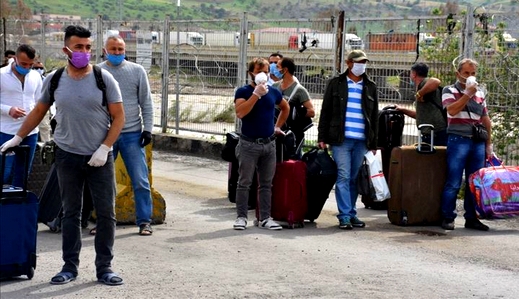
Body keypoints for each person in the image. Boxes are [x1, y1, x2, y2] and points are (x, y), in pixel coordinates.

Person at [0, 25, 126, 285]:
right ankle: (69, 266)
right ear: (66, 49)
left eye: (88, 47)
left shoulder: (104, 79)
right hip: (67, 156)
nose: (84, 52)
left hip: (100, 158)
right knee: (70, 213)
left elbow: (119, 117)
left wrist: (104, 148)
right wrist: (19, 137)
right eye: (78, 47)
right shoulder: (55, 79)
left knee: (106, 213)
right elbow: (38, 112)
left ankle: (105, 267)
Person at [97, 35, 154, 236]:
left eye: (120, 49)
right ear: (105, 50)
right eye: (113, 49)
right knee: (103, 182)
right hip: (105, 135)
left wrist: (148, 129)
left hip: (132, 133)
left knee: (140, 179)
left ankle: (145, 221)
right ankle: (103, 222)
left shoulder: (137, 71)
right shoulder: (97, 72)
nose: (117, 53)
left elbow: (146, 102)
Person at [317, 50, 379, 230]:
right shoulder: (336, 84)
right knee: (343, 176)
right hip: (341, 139)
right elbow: (326, 111)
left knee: (353, 178)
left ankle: (351, 213)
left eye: (364, 62)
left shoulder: (370, 86)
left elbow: (374, 116)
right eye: (359, 62)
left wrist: (373, 142)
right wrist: (322, 137)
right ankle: (344, 215)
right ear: (349, 63)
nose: (362, 65)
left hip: (361, 140)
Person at [233, 57, 289, 230]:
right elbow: (240, 113)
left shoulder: (273, 92)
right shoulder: (243, 92)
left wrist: (277, 126)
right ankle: (241, 217)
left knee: (266, 184)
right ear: (251, 74)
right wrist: (256, 94)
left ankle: (265, 217)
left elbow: (285, 107)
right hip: (248, 144)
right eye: (259, 72)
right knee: (244, 182)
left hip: (268, 144)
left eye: (265, 72)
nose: (263, 75)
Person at [440, 58, 493, 231]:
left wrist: (488, 143)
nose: (470, 77)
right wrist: (467, 94)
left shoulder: (480, 93)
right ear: (458, 74)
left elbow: (485, 118)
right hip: (458, 139)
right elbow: (452, 110)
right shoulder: (449, 90)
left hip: (477, 141)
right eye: (466, 73)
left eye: (473, 73)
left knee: (474, 182)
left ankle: (472, 217)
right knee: (454, 181)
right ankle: (448, 216)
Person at [0, 44, 42, 187]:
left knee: (23, 173)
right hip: (6, 130)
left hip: (30, 133)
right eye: (23, 64)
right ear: (15, 59)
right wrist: (8, 110)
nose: (26, 68)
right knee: (5, 172)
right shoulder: (1, 75)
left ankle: (17, 205)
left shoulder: (36, 76)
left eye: (30, 65)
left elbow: (39, 102)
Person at [396, 62, 447, 146]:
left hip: (436, 133)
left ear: (414, 74)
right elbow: (420, 115)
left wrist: (419, 94)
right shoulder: (424, 88)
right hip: (431, 133)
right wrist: (402, 110)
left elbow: (436, 81)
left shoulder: (424, 84)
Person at [272, 57, 315, 155]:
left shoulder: (299, 90)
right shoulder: (275, 86)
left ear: (285, 69)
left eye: (278, 67)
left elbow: (311, 112)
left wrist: (295, 111)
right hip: (273, 129)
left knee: (291, 158)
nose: (275, 69)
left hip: (290, 133)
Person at [33, 59, 53, 143]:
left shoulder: (46, 80)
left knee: (45, 127)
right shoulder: (30, 79)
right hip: (31, 107)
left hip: (43, 107)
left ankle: (46, 146)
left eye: (41, 68)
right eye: (37, 68)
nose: (39, 70)